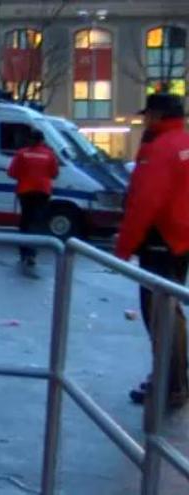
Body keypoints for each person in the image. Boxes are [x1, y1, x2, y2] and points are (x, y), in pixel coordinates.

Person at [115, 93, 189, 409]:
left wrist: (123, 249)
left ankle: (169, 385)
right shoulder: (184, 142)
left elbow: (145, 202)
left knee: (159, 314)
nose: (144, 121)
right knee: (171, 310)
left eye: (147, 116)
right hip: (181, 239)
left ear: (157, 116)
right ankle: (176, 379)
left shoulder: (158, 150)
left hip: (161, 239)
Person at [7, 129, 59, 269]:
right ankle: (32, 253)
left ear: (30, 140)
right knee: (37, 221)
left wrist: (24, 176)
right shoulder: (50, 154)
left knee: (25, 220)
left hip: (25, 190)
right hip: (43, 191)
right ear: (42, 141)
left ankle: (24, 252)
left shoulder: (22, 153)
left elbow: (12, 172)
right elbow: (54, 174)